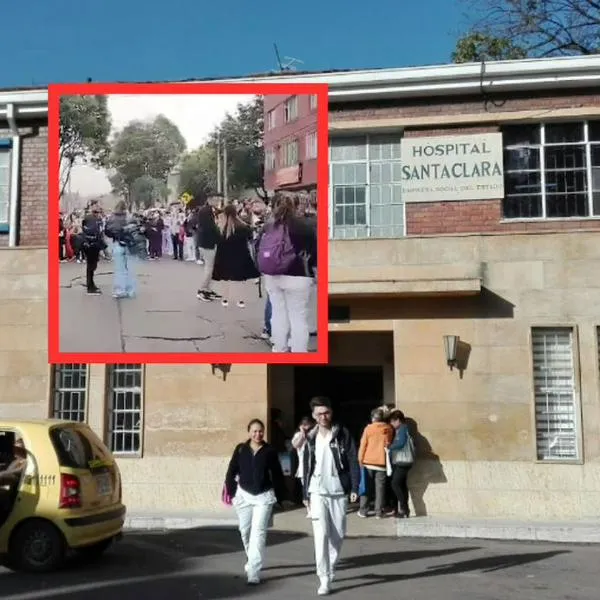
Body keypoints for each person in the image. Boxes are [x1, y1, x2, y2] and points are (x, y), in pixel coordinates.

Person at [302, 397, 360, 596]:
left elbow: (353, 459)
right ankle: (324, 577)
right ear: (313, 416)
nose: (323, 416)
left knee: (337, 536)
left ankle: (332, 566)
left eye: (326, 412)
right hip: (317, 491)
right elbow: (306, 465)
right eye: (319, 413)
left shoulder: (342, 433)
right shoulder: (310, 436)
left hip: (338, 490)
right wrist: (305, 493)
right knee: (321, 535)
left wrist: (354, 486)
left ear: (331, 413)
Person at [224, 419, 286, 586]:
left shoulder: (269, 451)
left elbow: (277, 474)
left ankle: (254, 571)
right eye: (255, 431)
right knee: (245, 530)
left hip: (263, 496)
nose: (258, 434)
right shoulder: (241, 449)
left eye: (261, 431)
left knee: (258, 532)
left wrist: (281, 497)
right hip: (243, 495)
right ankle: (250, 557)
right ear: (249, 432)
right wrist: (231, 492)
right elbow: (231, 471)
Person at [257, 193, 317, 352]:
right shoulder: (305, 227)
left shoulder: (268, 226)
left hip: (272, 275)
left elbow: (257, 247)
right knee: (298, 317)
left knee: (277, 313)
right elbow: (315, 252)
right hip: (299, 276)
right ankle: (298, 351)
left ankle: (279, 348)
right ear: (295, 206)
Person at [212, 203, 259, 307]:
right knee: (240, 279)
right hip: (240, 255)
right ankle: (240, 300)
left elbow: (217, 241)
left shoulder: (221, 228)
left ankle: (225, 299)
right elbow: (250, 235)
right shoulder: (242, 226)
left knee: (225, 278)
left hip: (224, 256)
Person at [357, 408, 394, 519]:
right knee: (380, 489)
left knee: (366, 487)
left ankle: (363, 510)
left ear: (373, 418)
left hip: (368, 461)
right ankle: (379, 512)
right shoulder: (389, 429)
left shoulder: (368, 429)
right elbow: (389, 443)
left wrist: (360, 460)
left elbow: (363, 445)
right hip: (382, 462)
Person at [104, 201, 141, 299]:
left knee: (119, 269)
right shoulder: (130, 218)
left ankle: (119, 290)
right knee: (130, 268)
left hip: (118, 243)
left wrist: (115, 234)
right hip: (130, 245)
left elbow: (107, 231)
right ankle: (130, 290)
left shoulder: (111, 218)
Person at [388, 410, 414, 518]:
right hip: (404, 462)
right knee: (402, 485)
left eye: (393, 422)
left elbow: (401, 443)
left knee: (395, 483)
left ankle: (403, 509)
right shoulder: (402, 429)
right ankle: (405, 510)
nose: (392, 425)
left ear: (398, 420)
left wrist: (390, 446)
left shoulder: (403, 429)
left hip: (403, 462)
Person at [291, 416, 316, 516]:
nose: (306, 428)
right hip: (303, 467)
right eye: (304, 425)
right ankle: (309, 509)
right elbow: (296, 445)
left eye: (308, 426)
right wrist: (302, 433)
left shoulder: (314, 433)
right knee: (305, 488)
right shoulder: (298, 435)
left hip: (314, 465)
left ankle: (314, 507)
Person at [81, 203, 106, 295]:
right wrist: (103, 247)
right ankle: (90, 287)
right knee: (92, 266)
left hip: (87, 245)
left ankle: (91, 284)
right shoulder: (97, 220)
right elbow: (98, 234)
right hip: (93, 245)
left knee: (91, 266)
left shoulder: (87, 218)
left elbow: (83, 230)